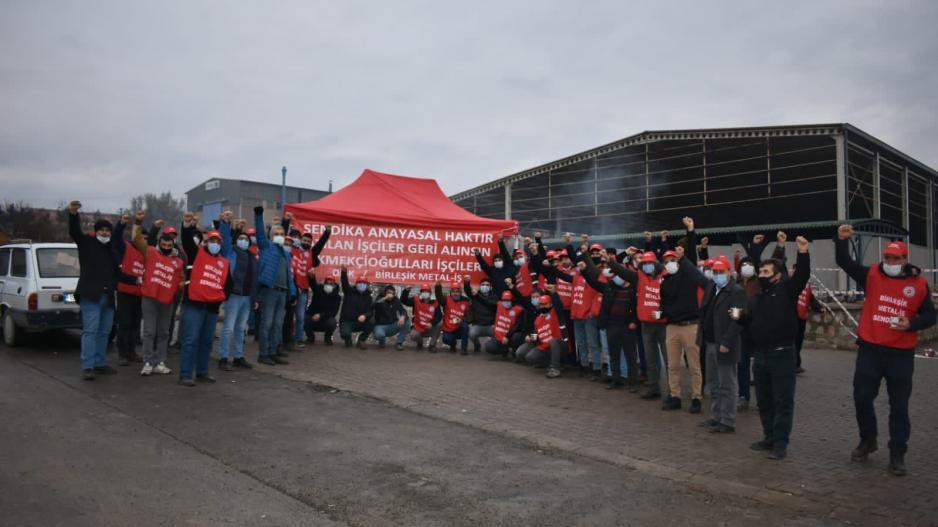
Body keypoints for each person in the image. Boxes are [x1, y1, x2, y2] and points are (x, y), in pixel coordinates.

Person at [836, 226, 936, 476]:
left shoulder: (919, 284)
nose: (890, 262)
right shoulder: (871, 275)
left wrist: (911, 324)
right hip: (870, 349)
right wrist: (841, 240)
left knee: (899, 406)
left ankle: (897, 452)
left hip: (900, 354)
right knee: (861, 398)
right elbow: (844, 262)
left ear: (905, 260)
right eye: (887, 258)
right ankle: (868, 440)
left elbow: (931, 315)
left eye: (896, 258)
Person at [740, 236, 810, 460]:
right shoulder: (757, 298)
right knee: (764, 400)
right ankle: (769, 436)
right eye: (760, 273)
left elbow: (802, 276)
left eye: (766, 273)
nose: (761, 276)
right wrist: (740, 317)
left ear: (778, 276)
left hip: (782, 355)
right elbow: (751, 321)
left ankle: (781, 442)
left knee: (783, 400)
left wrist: (802, 252)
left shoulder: (787, 291)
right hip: (760, 356)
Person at [67, 200, 121, 380]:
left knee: (104, 331)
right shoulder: (87, 243)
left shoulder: (111, 249)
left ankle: (100, 363)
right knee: (90, 331)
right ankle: (88, 366)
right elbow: (74, 232)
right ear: (96, 231)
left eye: (107, 231)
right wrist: (73, 214)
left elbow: (117, 272)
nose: (105, 233)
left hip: (107, 297)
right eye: (102, 230)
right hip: (91, 296)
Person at [659, 217, 707, 413]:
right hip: (672, 327)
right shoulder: (665, 282)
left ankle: (696, 398)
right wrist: (660, 314)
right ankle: (675, 395)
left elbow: (692, 258)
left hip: (690, 326)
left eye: (673, 260)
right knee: (672, 365)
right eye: (667, 261)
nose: (670, 263)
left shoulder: (688, 274)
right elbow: (663, 304)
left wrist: (690, 230)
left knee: (694, 366)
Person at [131, 210, 184, 376]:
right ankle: (147, 361)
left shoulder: (178, 261)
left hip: (167, 300)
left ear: (173, 245)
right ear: (159, 243)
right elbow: (136, 239)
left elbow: (181, 280)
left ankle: (160, 361)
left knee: (164, 332)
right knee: (149, 331)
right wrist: (138, 223)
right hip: (150, 298)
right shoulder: (151, 252)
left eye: (170, 246)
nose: (167, 248)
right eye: (164, 245)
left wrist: (180, 285)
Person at [696, 259, 747, 433]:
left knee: (727, 384)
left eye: (720, 271)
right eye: (715, 271)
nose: (717, 275)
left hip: (724, 344)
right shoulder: (711, 287)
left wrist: (726, 342)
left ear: (729, 271)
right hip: (710, 342)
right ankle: (716, 416)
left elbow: (738, 321)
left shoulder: (736, 292)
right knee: (713, 383)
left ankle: (728, 420)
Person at [178, 225, 231, 387]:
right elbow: (187, 242)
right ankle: (186, 374)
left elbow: (229, 285)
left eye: (217, 241)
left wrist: (219, 298)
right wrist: (186, 227)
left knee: (206, 341)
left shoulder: (224, 263)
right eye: (212, 241)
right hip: (195, 305)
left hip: (212, 308)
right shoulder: (197, 254)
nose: (215, 244)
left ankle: (202, 372)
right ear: (206, 242)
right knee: (191, 340)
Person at [253, 205, 296, 366]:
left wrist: (292, 293)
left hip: (283, 293)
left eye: (281, 234)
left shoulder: (285, 253)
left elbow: (289, 275)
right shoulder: (266, 247)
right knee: (267, 324)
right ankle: (263, 354)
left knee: (277, 325)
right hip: (269, 291)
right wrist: (259, 215)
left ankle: (272, 352)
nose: (279, 236)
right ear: (271, 237)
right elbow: (259, 232)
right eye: (276, 234)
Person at [593, 255, 640, 391]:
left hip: (628, 326)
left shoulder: (633, 288)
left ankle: (633, 383)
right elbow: (593, 282)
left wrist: (634, 322)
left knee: (630, 356)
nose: (616, 278)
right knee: (614, 355)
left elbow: (638, 307)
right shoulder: (609, 287)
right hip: (612, 325)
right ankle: (616, 380)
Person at [217, 212, 256, 371]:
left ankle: (238, 356)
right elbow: (224, 238)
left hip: (247, 297)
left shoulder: (252, 255)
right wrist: (225, 222)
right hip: (234, 295)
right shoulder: (230, 251)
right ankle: (223, 358)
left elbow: (255, 276)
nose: (243, 241)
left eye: (246, 239)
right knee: (229, 328)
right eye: (241, 238)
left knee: (241, 328)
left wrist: (255, 297)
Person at [287, 227, 331, 350]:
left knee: (300, 317)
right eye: (304, 240)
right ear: (300, 240)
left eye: (308, 242)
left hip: (304, 290)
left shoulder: (312, 253)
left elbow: (321, 244)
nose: (306, 243)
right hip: (292, 289)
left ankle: (298, 340)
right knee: (288, 316)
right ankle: (286, 340)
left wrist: (327, 232)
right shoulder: (293, 251)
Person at [114, 213, 145, 366]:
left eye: (145, 239)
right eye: (142, 238)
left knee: (135, 324)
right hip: (125, 291)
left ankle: (132, 352)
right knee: (124, 323)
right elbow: (116, 238)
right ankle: (122, 353)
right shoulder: (125, 246)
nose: (143, 240)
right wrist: (121, 224)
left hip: (138, 293)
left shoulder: (145, 252)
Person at [514, 293, 567, 378]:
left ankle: (556, 368)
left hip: (560, 345)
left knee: (553, 341)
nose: (543, 306)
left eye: (545, 304)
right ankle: (550, 363)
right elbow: (535, 335)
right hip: (545, 347)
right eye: (541, 304)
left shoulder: (556, 313)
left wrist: (554, 292)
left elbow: (558, 304)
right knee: (529, 356)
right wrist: (531, 337)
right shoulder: (538, 320)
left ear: (551, 304)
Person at [338, 267, 374, 349]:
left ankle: (361, 340)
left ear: (367, 285)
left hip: (360, 322)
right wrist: (344, 272)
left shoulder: (368, 297)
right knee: (345, 333)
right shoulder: (349, 291)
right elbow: (344, 283)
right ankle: (348, 339)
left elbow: (370, 311)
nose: (362, 285)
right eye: (360, 282)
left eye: (364, 283)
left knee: (372, 321)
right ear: (356, 284)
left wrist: (365, 315)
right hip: (347, 321)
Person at [402, 284, 441, 352]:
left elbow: (439, 316)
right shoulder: (415, 300)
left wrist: (432, 323)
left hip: (430, 328)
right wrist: (406, 291)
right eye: (423, 291)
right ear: (421, 293)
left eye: (427, 291)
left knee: (440, 323)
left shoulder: (435, 303)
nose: (425, 293)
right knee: (413, 335)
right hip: (418, 327)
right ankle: (420, 342)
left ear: (430, 293)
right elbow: (404, 301)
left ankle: (432, 345)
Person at [485, 291, 524, 357]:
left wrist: (507, 336)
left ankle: (515, 351)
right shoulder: (499, 305)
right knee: (490, 347)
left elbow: (518, 327)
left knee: (517, 336)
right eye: (504, 300)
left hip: (511, 335)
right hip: (500, 336)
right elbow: (485, 301)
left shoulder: (518, 310)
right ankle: (504, 350)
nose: (506, 302)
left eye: (508, 300)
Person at [436, 280, 471, 354]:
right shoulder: (446, 299)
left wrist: (462, 320)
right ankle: (453, 344)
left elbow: (469, 317)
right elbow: (439, 297)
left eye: (457, 291)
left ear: (460, 292)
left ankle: (464, 349)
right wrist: (438, 287)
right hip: (449, 328)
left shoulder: (466, 301)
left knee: (465, 326)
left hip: (460, 328)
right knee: (446, 339)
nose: (455, 293)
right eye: (453, 291)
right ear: (451, 292)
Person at [372, 285, 410, 350]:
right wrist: (385, 298)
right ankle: (382, 342)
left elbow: (403, 310)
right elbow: (374, 305)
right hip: (381, 326)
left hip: (393, 325)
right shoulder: (380, 298)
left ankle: (399, 342)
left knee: (407, 321)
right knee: (379, 335)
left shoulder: (395, 300)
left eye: (392, 293)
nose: (390, 295)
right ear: (385, 293)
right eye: (389, 293)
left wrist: (402, 317)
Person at [305, 274, 340, 345]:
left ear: (334, 285)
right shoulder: (318, 290)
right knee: (304, 319)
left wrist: (321, 315)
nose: (328, 285)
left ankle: (328, 337)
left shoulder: (337, 297)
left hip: (325, 320)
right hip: (313, 317)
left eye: (331, 284)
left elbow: (333, 312)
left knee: (332, 322)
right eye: (327, 283)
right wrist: (312, 277)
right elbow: (313, 284)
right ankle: (310, 337)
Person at [465, 277, 497, 352]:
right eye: (483, 284)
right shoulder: (475, 295)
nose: (485, 286)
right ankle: (477, 345)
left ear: (490, 287)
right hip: (478, 325)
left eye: (487, 285)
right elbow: (468, 291)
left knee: (499, 335)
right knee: (471, 333)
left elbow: (491, 304)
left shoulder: (494, 297)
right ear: (480, 286)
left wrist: (478, 296)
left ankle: (491, 345)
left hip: (491, 326)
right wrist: (466, 283)